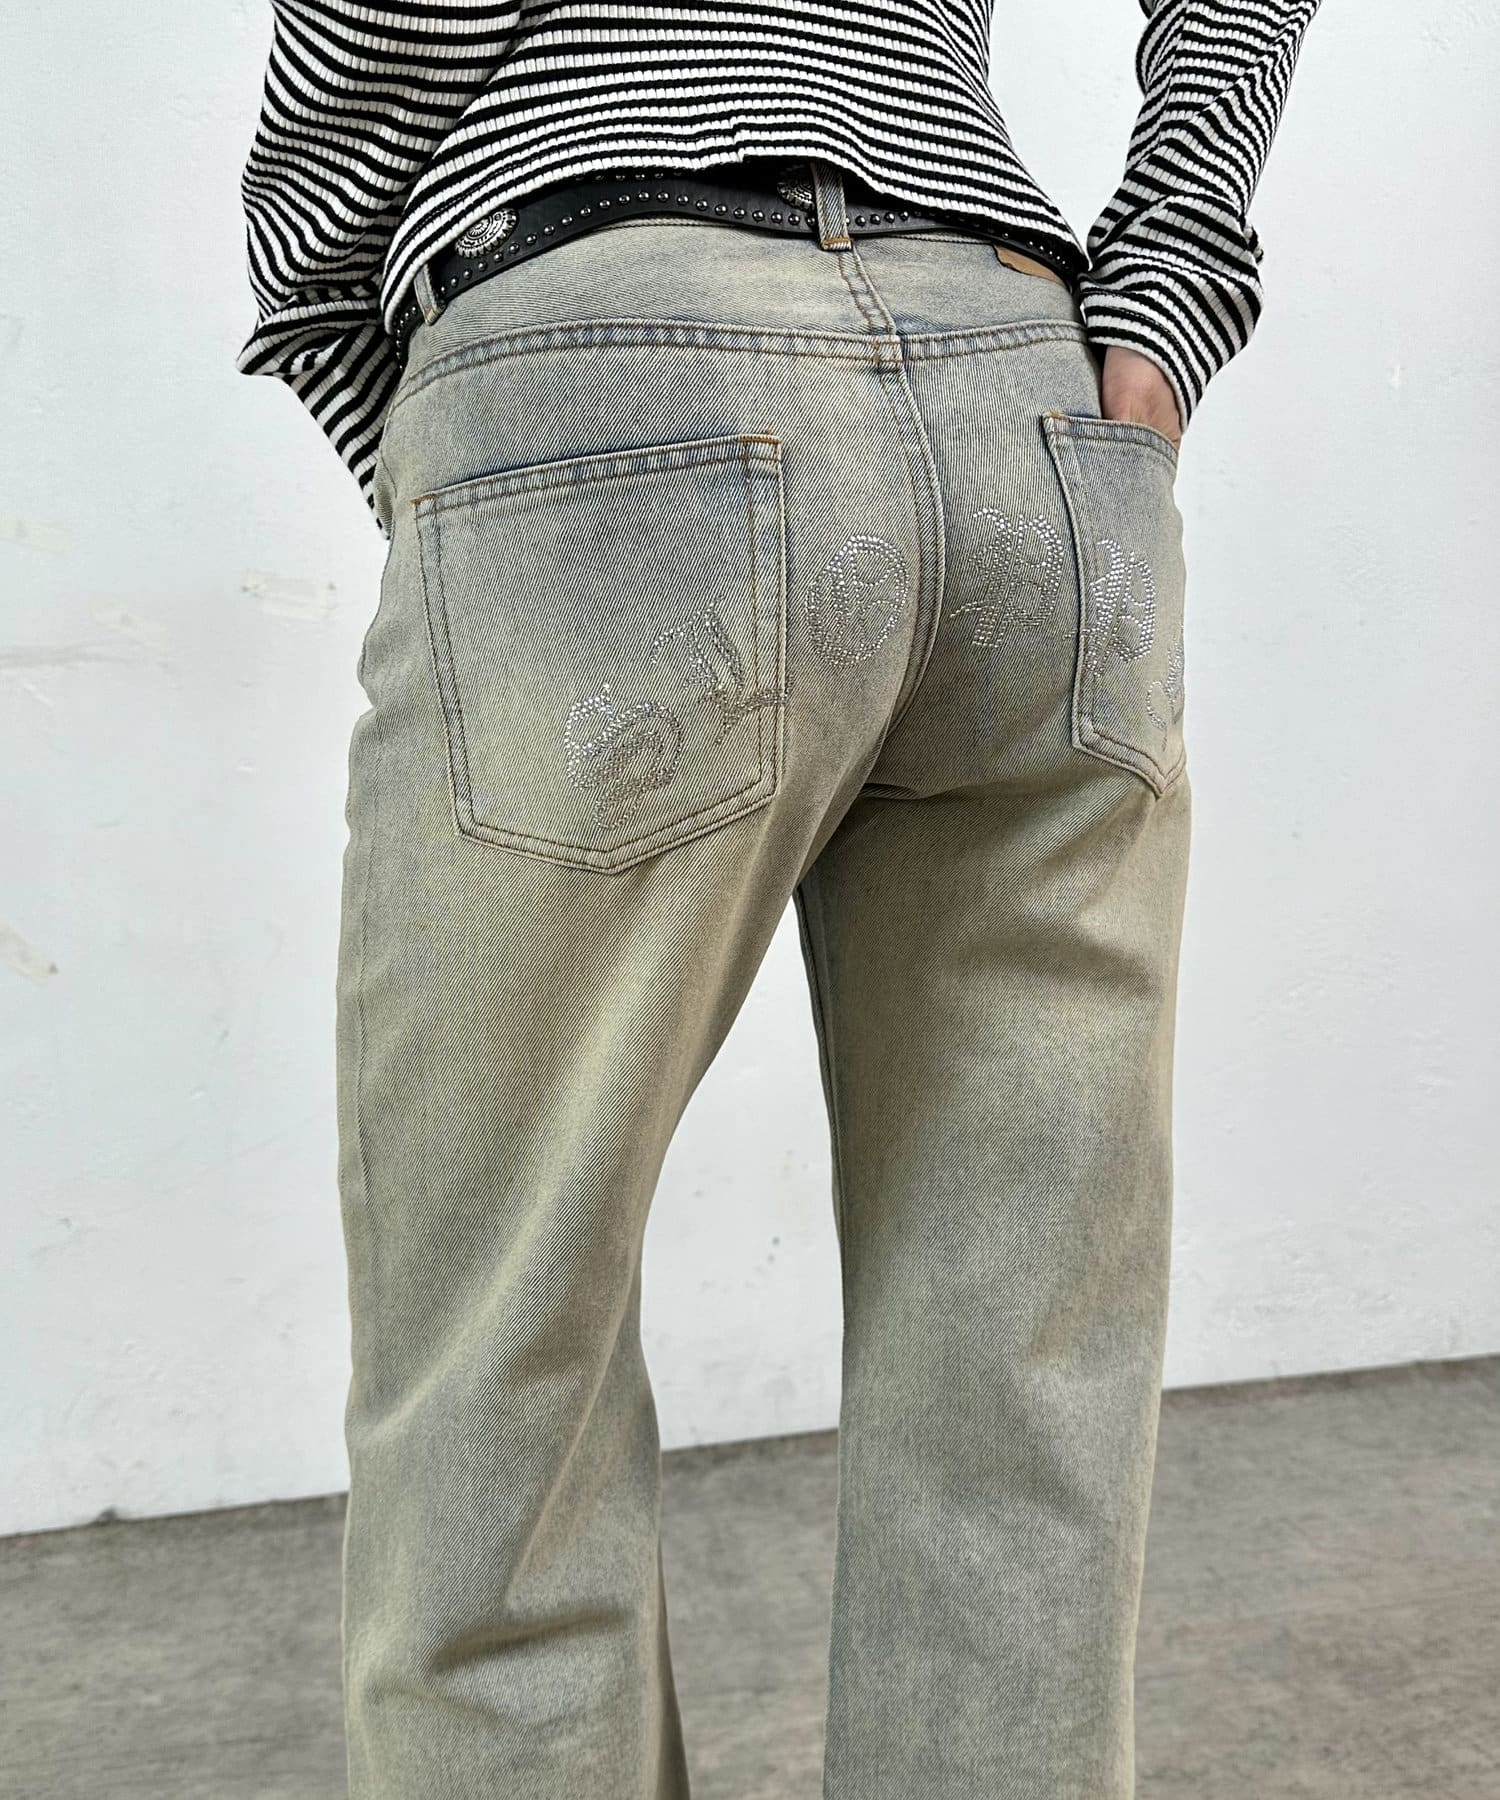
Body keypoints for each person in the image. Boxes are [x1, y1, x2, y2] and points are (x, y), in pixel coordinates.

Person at [236, 5, 1321, 1796]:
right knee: (1023, 1377)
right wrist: (1172, 274)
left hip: (607, 322)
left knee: (498, 1377)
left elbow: (378, 65)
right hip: (1027, 399)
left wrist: (400, 350)